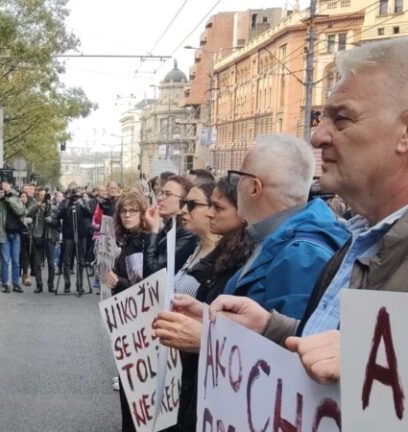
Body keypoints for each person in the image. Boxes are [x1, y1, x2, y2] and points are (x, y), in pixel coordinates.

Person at [203, 38, 408, 385]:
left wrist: (375, 360)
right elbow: (328, 347)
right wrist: (271, 327)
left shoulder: (314, 247)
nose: (317, 138)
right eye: (322, 119)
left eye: (341, 119)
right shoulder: (358, 242)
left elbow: (360, 363)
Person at [154, 177, 255, 432]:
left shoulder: (236, 258)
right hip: (188, 367)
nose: (185, 211)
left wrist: (205, 332)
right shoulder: (201, 249)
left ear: (242, 210)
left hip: (205, 372)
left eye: (216, 207)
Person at [220, 134, 349, 319]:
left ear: (255, 188)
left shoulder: (302, 255)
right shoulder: (281, 239)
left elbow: (291, 335)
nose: (236, 185)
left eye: (239, 177)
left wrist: (208, 329)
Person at [105, 191, 158, 432]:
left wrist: (118, 281)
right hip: (125, 317)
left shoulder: (144, 240)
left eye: (132, 211)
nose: (127, 215)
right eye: (124, 211)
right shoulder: (128, 238)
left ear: (142, 213)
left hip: (138, 319)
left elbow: (143, 285)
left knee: (136, 387)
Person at [147, 176, 199, 274]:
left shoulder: (188, 231)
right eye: (161, 193)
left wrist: (153, 230)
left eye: (167, 194)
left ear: (184, 200)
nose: (159, 198)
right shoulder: (171, 223)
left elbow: (154, 270)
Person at [0, 181, 27, 293]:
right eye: (4, 187)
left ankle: (15, 284)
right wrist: (0, 200)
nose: (7, 189)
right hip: (4, 234)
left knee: (16, 261)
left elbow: (20, 211)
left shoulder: (15, 198)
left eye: (8, 187)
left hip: (16, 233)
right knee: (5, 261)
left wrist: (9, 198)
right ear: (0, 189)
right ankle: (5, 283)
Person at [56, 187, 93, 294]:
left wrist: (81, 204)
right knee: (67, 261)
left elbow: (89, 213)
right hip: (68, 236)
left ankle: (80, 285)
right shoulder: (65, 203)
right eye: (73, 195)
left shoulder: (83, 202)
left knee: (80, 261)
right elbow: (59, 215)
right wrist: (67, 203)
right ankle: (67, 285)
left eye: (76, 195)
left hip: (81, 235)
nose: (75, 197)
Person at [29, 189, 58, 293]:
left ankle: (51, 285)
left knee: (51, 263)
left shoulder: (52, 207)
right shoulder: (35, 206)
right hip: (38, 236)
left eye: (44, 195)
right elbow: (29, 213)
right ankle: (39, 285)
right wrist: (37, 205)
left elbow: (57, 222)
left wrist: (51, 219)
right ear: (38, 196)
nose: (43, 197)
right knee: (37, 263)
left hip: (50, 236)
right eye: (41, 195)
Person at [18, 190, 34, 286]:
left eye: (25, 197)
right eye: (22, 197)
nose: (24, 198)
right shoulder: (16, 207)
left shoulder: (29, 207)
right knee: (18, 256)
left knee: (26, 256)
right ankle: (18, 275)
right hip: (18, 234)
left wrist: (29, 220)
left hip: (27, 235)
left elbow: (32, 218)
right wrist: (24, 220)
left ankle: (25, 276)